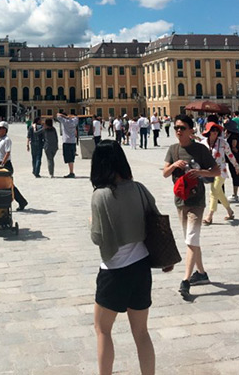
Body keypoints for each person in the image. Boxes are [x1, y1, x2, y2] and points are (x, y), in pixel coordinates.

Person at [91, 140, 170, 375]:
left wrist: (91, 222)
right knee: (141, 332)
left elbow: (97, 238)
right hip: (141, 266)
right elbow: (156, 220)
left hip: (114, 270)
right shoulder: (139, 188)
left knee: (103, 330)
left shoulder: (100, 195)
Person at [163, 114, 220, 301]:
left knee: (191, 238)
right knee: (191, 240)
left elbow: (216, 171)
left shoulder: (200, 149)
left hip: (196, 200)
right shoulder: (173, 149)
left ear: (190, 130)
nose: (178, 131)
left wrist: (200, 172)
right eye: (176, 128)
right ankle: (201, 273)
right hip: (181, 200)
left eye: (182, 128)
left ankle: (186, 280)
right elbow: (165, 173)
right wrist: (174, 165)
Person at [200, 122, 239, 225]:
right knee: (219, 193)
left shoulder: (223, 143)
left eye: (217, 130)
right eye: (213, 130)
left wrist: (236, 166)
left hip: (221, 171)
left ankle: (209, 216)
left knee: (213, 192)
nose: (215, 132)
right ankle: (230, 211)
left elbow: (230, 155)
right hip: (210, 171)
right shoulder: (203, 143)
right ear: (208, 131)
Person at [0, 121, 28, 210]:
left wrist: (2, 164)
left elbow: (8, 152)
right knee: (3, 184)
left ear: (5, 130)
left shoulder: (7, 140)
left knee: (8, 185)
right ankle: (20, 201)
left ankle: (21, 201)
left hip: (6, 164)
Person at [56, 112, 79, 178]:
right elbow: (77, 117)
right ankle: (71, 171)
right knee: (72, 157)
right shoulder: (74, 121)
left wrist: (65, 117)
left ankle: (71, 172)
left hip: (66, 141)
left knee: (69, 158)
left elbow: (58, 115)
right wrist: (70, 117)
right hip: (73, 141)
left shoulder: (64, 121)